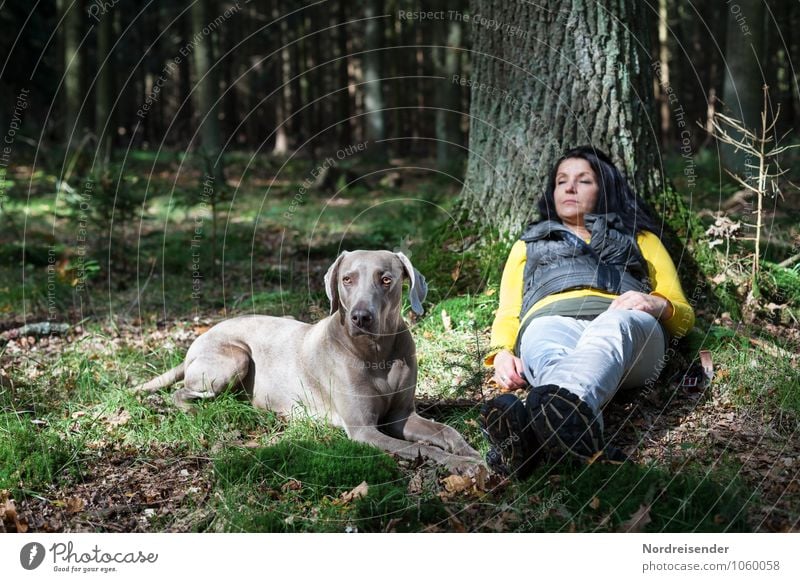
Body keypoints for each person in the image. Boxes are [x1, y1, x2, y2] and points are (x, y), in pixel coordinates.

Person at [479, 145, 695, 477]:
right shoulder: (528, 244)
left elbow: (683, 313)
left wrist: (655, 303)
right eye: (562, 180)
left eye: (583, 180)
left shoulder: (640, 237)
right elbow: (509, 310)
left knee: (611, 328)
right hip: (549, 321)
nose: (569, 187)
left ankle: (527, 439)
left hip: (630, 332)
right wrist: (502, 352)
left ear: (604, 188)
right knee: (542, 343)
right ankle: (558, 432)